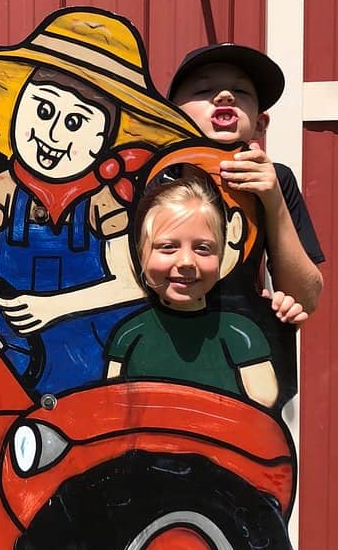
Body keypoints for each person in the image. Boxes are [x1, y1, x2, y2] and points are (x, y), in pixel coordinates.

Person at [0, 9, 196, 395]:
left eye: (76, 122)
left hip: (92, 354)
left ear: (104, 137)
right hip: (10, 356)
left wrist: (52, 307)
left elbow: (131, 284)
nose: (54, 133)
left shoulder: (104, 202)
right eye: (44, 110)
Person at [105, 168, 307, 407]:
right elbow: (109, 400)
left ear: (222, 256)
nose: (186, 262)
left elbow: (265, 399)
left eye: (203, 248)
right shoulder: (128, 334)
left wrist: (278, 329)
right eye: (168, 247)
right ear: (140, 254)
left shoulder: (241, 333)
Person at [167, 44, 324, 313]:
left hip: (239, 337)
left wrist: (273, 200)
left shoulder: (277, 180)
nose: (225, 96)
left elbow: (306, 298)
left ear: (260, 125)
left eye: (241, 92)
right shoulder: (150, 180)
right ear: (170, 118)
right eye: (204, 90)